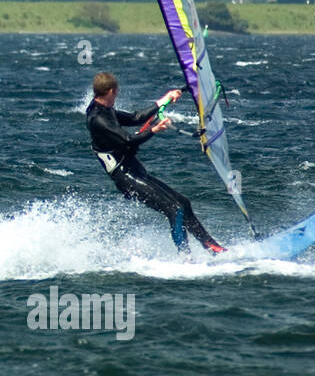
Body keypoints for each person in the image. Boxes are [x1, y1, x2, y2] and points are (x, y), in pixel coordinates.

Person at [85, 71, 224, 253]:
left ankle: (212, 246)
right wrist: (155, 129)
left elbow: (135, 118)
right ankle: (186, 258)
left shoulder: (106, 110)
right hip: (126, 179)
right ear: (111, 91)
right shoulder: (98, 118)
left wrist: (164, 100)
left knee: (183, 203)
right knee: (174, 209)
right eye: (116, 92)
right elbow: (128, 140)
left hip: (135, 171)